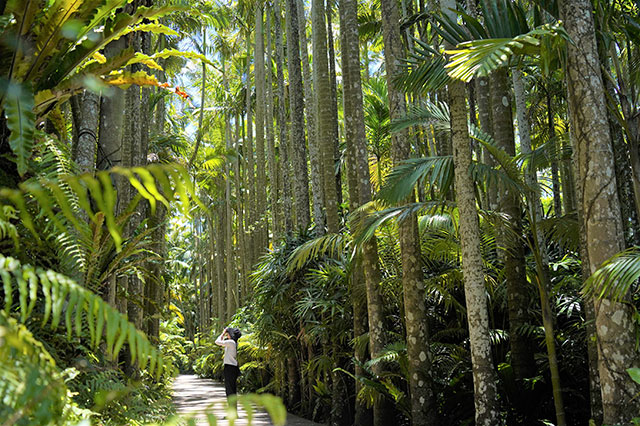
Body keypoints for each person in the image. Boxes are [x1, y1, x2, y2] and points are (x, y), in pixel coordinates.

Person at [215, 326, 241, 410]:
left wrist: (222, 333)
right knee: (232, 391)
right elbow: (220, 342)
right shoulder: (233, 343)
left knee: (230, 391)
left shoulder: (231, 342)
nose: (227, 335)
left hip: (230, 368)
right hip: (232, 368)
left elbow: (217, 342)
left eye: (228, 333)